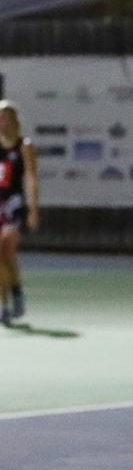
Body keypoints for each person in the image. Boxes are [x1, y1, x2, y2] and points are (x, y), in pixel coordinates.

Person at [0, 101, 37, 325]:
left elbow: (31, 178)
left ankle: (16, 293)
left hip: (13, 205)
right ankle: (5, 304)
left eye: (4, 116)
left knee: (7, 252)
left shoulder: (24, 145)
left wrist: (33, 209)